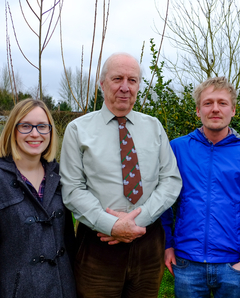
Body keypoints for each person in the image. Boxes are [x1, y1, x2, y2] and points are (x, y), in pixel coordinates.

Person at [60, 52, 182, 297]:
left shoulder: (154, 127)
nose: (125, 87)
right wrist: (112, 226)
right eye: (117, 79)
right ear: (102, 83)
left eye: (132, 80)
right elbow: (72, 189)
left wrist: (136, 222)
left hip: (148, 243)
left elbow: (170, 180)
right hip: (98, 244)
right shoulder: (77, 130)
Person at [161, 77, 240, 298]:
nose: (215, 109)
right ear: (198, 110)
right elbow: (164, 202)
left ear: (234, 110)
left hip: (233, 264)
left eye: (222, 103)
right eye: (208, 103)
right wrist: (167, 246)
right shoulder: (177, 148)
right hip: (187, 261)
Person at [0, 98, 76, 297]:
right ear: (13, 130)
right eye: (26, 126)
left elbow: (68, 244)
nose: (35, 134)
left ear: (50, 132)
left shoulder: (59, 177)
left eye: (42, 127)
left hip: (63, 289)